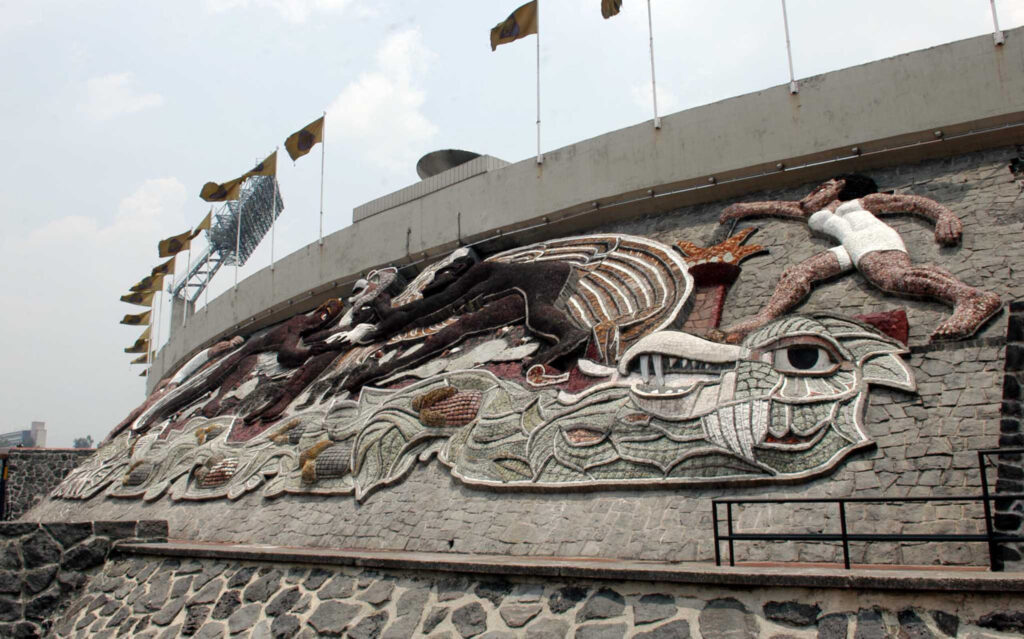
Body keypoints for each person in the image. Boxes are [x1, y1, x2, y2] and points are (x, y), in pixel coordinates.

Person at [708, 174, 1001, 344]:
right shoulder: (812, 212)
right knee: (800, 273)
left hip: (873, 239)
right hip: (848, 247)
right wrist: (744, 208)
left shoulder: (860, 203)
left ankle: (971, 297)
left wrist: (943, 216)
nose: (817, 191)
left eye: (825, 186)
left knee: (890, 277)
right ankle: (763, 319)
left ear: (841, 186)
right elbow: (781, 207)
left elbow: (911, 203)